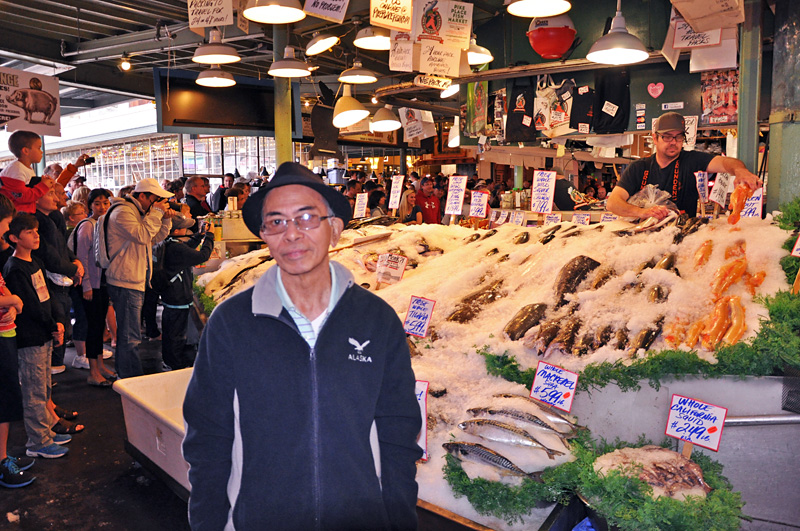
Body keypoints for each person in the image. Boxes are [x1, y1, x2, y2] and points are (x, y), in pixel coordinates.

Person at [183, 162, 422, 530]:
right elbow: (208, 439)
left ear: (336, 229)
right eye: (276, 222)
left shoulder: (377, 320)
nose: (291, 234)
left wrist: (400, 519)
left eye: (307, 218)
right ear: (264, 235)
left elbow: (399, 434)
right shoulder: (232, 324)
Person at [3, 213, 71, 459]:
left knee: (43, 388)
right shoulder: (14, 268)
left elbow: (48, 296)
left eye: (36, 231)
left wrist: (59, 322)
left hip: (44, 334)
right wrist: (53, 325)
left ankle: (47, 433)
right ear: (14, 238)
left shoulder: (36, 262)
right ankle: (38, 441)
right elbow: (30, 306)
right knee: (33, 391)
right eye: (30, 232)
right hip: (30, 338)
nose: (36, 235)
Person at [607, 112, 761, 219]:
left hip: (682, 241)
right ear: (655, 138)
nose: (673, 142)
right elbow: (613, 203)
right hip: (645, 240)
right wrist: (642, 212)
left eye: (678, 137)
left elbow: (726, 163)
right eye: (667, 137)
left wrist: (740, 170)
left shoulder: (692, 160)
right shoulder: (638, 168)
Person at [104, 179, 176, 378]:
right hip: (124, 280)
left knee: (131, 335)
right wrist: (157, 213)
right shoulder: (123, 212)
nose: (158, 204)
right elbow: (143, 235)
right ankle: (130, 379)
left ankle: (125, 373)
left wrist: (166, 218)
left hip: (133, 278)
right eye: (156, 199)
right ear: (142, 196)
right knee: (131, 337)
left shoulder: (137, 212)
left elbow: (154, 238)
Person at [0, 196, 37, 487]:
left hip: (6, 330)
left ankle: (3, 458)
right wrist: (12, 299)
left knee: (8, 398)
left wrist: (10, 304)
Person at [33, 188, 84, 375]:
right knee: (58, 327)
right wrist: (74, 268)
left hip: (61, 279)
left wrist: (74, 261)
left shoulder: (52, 218)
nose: (57, 198)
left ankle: (55, 369)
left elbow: (61, 247)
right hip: (52, 281)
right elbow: (50, 257)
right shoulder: (41, 221)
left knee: (63, 325)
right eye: (51, 194)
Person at [154, 215, 214, 370]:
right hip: (177, 298)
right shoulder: (176, 248)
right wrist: (210, 237)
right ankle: (173, 364)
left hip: (171, 296)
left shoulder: (169, 244)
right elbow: (203, 256)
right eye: (185, 227)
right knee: (175, 335)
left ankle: (169, 360)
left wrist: (199, 236)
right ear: (177, 231)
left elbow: (187, 248)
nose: (187, 229)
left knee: (171, 332)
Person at [73, 189, 117, 386]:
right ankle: (93, 372)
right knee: (92, 327)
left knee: (99, 326)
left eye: (106, 203)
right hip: (91, 285)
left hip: (102, 283)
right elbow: (81, 258)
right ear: (90, 205)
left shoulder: (103, 224)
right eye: (98, 203)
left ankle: (100, 366)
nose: (103, 207)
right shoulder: (88, 227)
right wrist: (87, 286)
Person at [0, 131, 54, 214]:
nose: (41, 151)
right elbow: (23, 196)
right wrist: (43, 186)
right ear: (25, 151)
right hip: (15, 216)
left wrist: (48, 184)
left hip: (26, 214)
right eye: (39, 148)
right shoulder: (16, 169)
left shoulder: (26, 168)